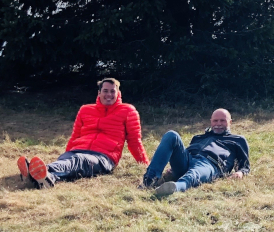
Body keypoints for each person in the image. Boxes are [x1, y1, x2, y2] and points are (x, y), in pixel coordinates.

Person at [17, 78, 148, 188]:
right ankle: (44, 179)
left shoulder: (128, 111)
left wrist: (146, 165)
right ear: (99, 93)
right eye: (105, 91)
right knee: (70, 161)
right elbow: (75, 136)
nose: (109, 94)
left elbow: (134, 141)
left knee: (78, 161)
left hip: (104, 157)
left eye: (112, 91)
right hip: (77, 150)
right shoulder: (85, 110)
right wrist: (65, 154)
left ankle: (42, 172)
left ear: (118, 93)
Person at [142, 109, 250, 197]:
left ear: (230, 122)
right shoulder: (198, 137)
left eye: (222, 121)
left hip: (210, 164)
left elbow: (245, 165)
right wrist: (174, 167)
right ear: (211, 121)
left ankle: (176, 187)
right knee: (171, 135)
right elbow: (183, 154)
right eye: (215, 121)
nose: (218, 124)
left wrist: (240, 173)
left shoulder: (238, 140)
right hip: (188, 158)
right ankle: (149, 180)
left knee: (194, 173)